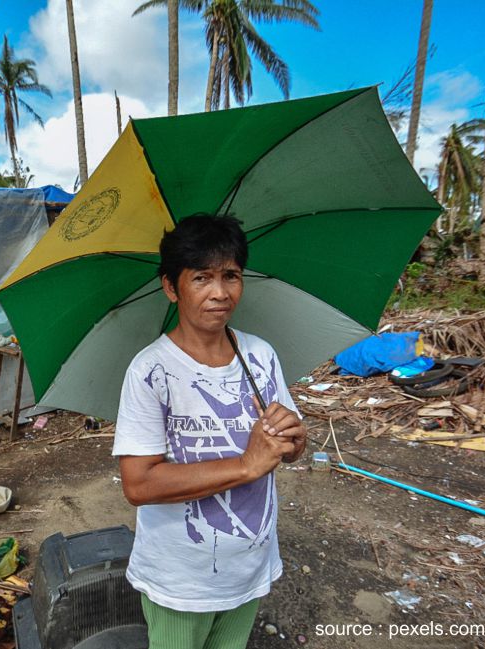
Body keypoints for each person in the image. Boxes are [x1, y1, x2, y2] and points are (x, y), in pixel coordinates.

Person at [113, 214, 308, 649]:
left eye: (231, 276)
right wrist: (244, 465)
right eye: (202, 277)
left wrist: (294, 438)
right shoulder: (150, 371)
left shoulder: (259, 355)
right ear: (170, 287)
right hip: (181, 578)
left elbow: (289, 448)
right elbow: (138, 484)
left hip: (249, 564)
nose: (220, 293)